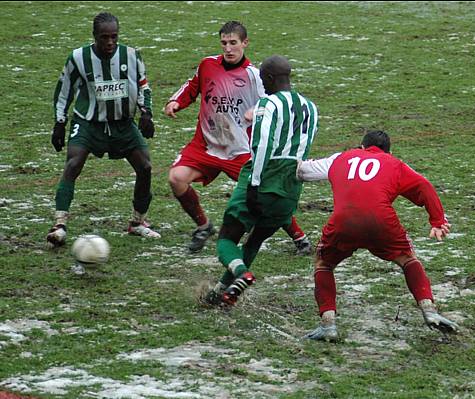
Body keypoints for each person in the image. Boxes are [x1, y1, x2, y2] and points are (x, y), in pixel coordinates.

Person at [164, 21, 311, 255]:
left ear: (245, 43)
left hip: (240, 149)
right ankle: (204, 226)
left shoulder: (255, 76)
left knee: (264, 191)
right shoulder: (207, 65)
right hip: (206, 145)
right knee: (176, 178)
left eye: (233, 43)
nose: (228, 48)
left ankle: (299, 237)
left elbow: (272, 102)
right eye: (224, 43)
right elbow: (192, 87)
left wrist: (257, 111)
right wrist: (176, 102)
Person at [297, 131, 459, 342]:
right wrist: (437, 221)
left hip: (343, 220)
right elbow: (423, 186)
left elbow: (304, 171)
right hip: (381, 221)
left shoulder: (342, 157)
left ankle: (328, 325)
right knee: (407, 259)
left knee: (324, 264)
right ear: (389, 151)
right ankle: (429, 310)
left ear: (362, 147)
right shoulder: (394, 163)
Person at [203, 55, 319, 306]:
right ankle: (222, 292)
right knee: (255, 240)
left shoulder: (268, 104)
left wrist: (254, 185)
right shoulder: (311, 108)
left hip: (264, 177)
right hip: (291, 186)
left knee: (226, 238)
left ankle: (241, 273)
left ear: (268, 78)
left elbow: (262, 145)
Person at [47, 12, 160, 248]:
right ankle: (59, 224)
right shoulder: (78, 58)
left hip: (122, 124)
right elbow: (64, 90)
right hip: (88, 124)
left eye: (114, 37)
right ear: (94, 36)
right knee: (73, 164)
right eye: (104, 37)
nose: (109, 43)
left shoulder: (131, 55)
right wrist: (59, 123)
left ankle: (137, 222)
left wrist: (146, 113)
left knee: (146, 167)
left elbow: (143, 86)